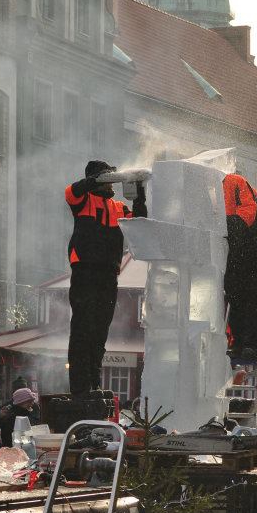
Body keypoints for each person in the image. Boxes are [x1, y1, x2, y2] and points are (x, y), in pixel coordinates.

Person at [65, 161, 147, 396]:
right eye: (109, 177)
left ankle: (93, 382)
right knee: (82, 328)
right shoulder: (83, 200)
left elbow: (140, 221)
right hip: (85, 271)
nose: (113, 181)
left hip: (109, 274)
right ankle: (80, 386)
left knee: (100, 330)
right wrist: (95, 180)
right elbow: (72, 191)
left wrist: (139, 192)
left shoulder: (118, 208)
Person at [223, 173, 257, 362]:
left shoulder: (233, 181)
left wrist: (226, 226)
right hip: (238, 251)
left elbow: (249, 211)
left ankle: (253, 346)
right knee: (235, 294)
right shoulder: (210, 191)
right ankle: (239, 343)